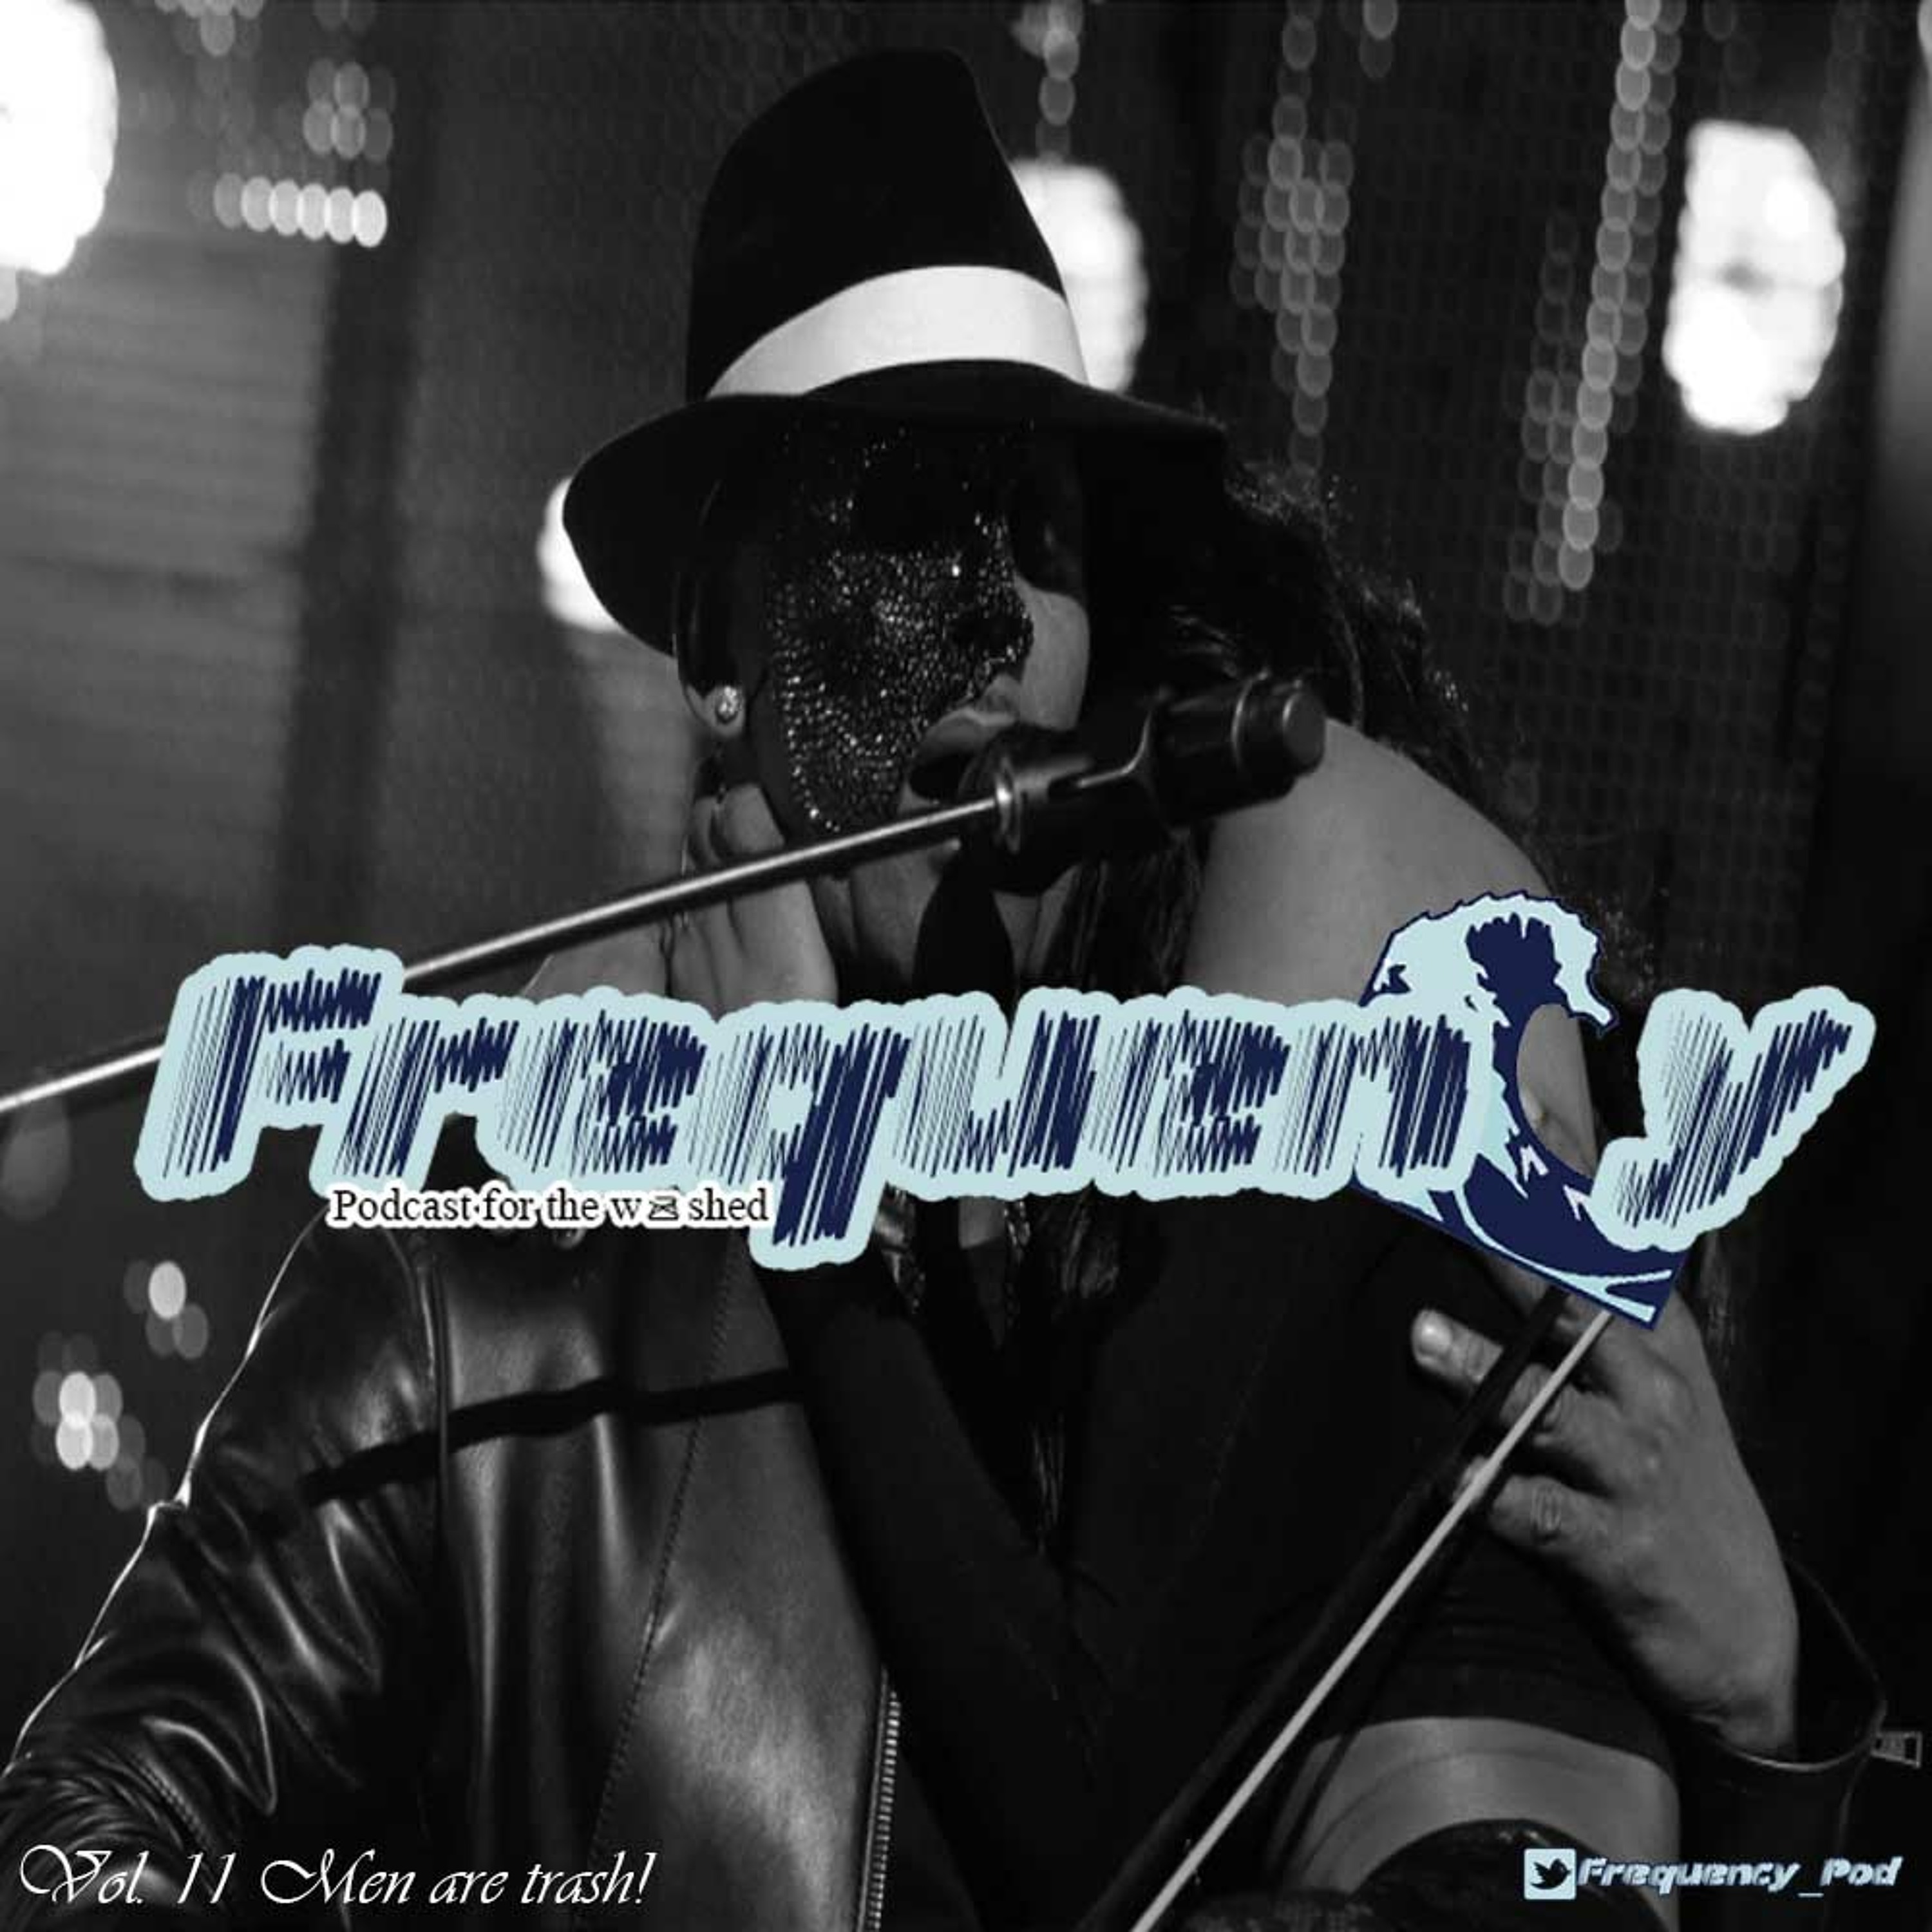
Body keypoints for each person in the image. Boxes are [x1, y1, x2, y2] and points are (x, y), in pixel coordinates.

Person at [0, 49, 1879, 1932]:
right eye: (902, 527)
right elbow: (82, 1838)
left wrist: (1774, 1736)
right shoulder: (498, 1256)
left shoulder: (1322, 1169)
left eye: (1039, 535)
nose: (989, 628)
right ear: (721, 653)